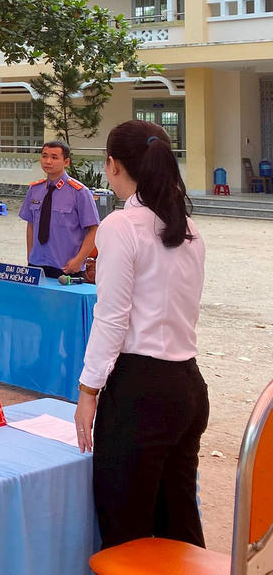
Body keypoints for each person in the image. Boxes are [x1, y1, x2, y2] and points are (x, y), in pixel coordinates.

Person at [74, 120, 207, 550]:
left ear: (112, 165)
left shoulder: (121, 225)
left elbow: (112, 317)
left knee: (125, 533)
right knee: (179, 523)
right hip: (187, 385)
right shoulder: (187, 228)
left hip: (141, 391)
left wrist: (88, 391)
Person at [20, 140, 99, 278]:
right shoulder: (35, 190)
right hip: (37, 264)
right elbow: (31, 225)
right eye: (44, 156)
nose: (48, 161)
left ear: (66, 162)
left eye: (54, 157)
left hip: (67, 266)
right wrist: (30, 256)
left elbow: (94, 230)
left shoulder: (79, 192)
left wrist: (79, 260)